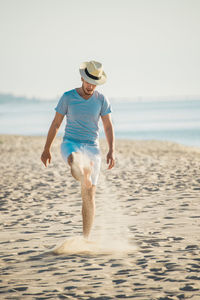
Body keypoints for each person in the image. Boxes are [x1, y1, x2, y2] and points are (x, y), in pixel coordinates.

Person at [41, 60, 115, 239]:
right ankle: (83, 172)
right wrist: (46, 148)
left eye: (94, 83)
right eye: (88, 82)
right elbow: (57, 123)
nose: (91, 86)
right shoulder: (68, 97)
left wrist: (111, 150)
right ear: (82, 78)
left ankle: (86, 238)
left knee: (88, 198)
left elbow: (107, 126)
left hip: (92, 147)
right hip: (71, 143)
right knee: (74, 160)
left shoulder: (101, 100)